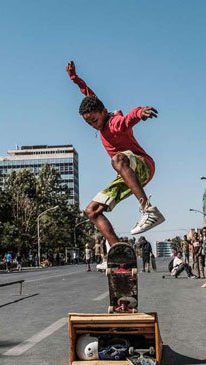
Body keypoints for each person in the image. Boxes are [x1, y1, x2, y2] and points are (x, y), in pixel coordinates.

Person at [66, 61, 165, 259]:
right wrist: (74, 77)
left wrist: (141, 112)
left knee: (117, 159)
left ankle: (148, 209)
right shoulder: (97, 109)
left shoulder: (114, 123)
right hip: (127, 174)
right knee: (92, 211)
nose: (93, 126)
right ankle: (118, 251)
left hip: (143, 164)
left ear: (103, 111)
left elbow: (129, 118)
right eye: (88, 123)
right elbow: (86, 91)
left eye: (94, 120)